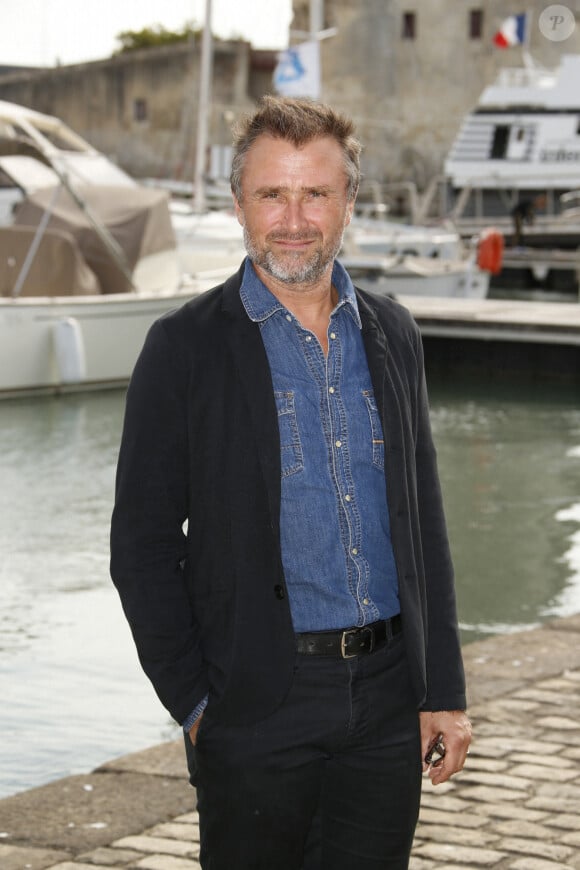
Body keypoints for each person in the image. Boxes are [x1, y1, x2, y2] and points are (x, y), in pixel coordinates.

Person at [110, 96, 471, 870]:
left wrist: (442, 687)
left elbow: (422, 520)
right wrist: (200, 706)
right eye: (274, 193)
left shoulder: (393, 332)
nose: (295, 218)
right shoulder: (182, 349)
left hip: (385, 703)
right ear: (240, 203)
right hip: (256, 703)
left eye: (316, 193)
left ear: (348, 204)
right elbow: (140, 548)